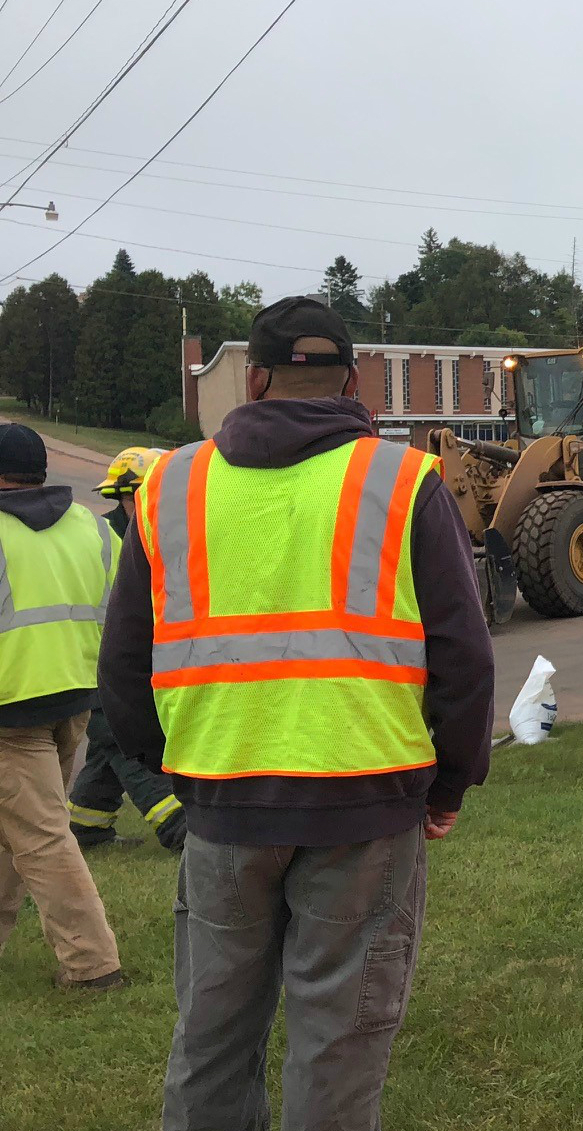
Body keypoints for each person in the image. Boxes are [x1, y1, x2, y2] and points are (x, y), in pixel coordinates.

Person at [98, 297, 496, 1129]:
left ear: (255, 379)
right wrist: (449, 782)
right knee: (339, 1044)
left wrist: (177, 768)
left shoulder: (171, 485)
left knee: (211, 1037)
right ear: (354, 383)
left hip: (224, 800)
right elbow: (463, 653)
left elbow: (125, 665)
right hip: (365, 803)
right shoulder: (401, 481)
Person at [0, 423, 125, 991]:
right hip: (76, 695)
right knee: (19, 824)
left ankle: (92, 964)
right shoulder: (91, 530)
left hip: (10, 707)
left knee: (42, 832)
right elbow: (130, 609)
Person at [68, 447, 185, 852]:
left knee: (106, 745)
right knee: (124, 742)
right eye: (132, 496)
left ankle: (86, 823)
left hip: (129, 663)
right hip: (97, 664)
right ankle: (176, 823)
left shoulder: (164, 533)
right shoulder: (109, 537)